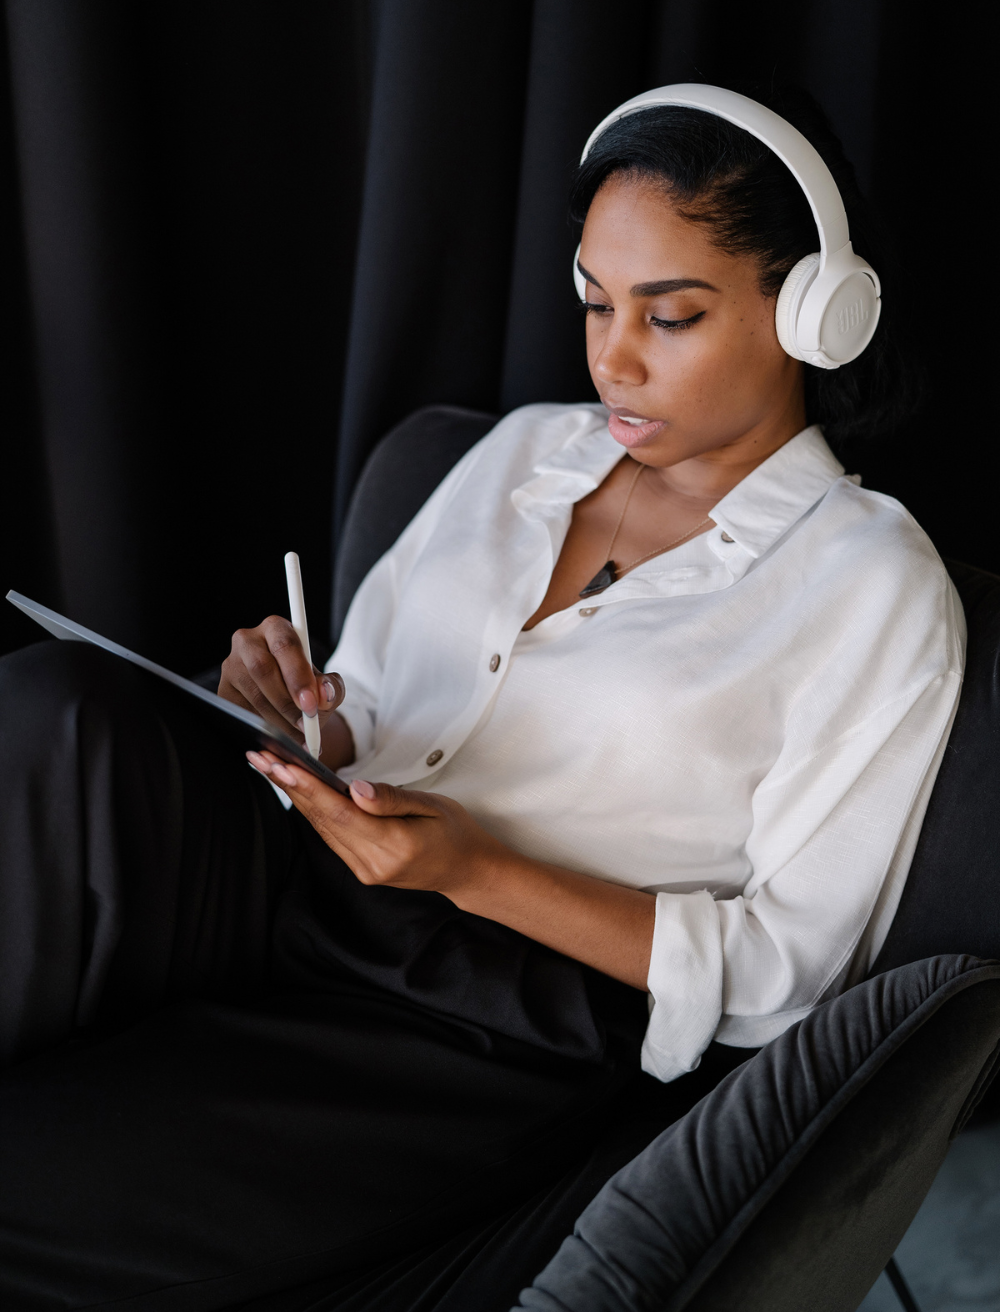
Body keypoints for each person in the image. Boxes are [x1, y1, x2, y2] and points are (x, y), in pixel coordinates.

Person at [0, 86, 963, 1311]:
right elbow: (376, 713)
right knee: (74, 708)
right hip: (300, 875)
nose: (612, 356)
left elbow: (786, 978)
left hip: (498, 1013)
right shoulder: (521, 455)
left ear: (814, 315)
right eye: (595, 302)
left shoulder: (867, 585)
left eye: (670, 316)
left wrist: (469, 868)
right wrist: (305, 716)